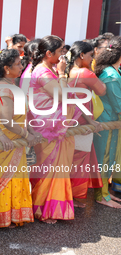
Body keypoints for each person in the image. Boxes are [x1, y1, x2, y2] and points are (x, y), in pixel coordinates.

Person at [0, 49, 37, 228]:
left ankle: (10, 215)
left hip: (11, 136)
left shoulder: (9, 85)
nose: (22, 67)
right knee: (2, 178)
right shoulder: (5, 89)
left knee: (12, 177)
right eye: (18, 64)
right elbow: (7, 121)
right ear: (6, 68)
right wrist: (28, 136)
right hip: (2, 138)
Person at [29, 35, 82, 224]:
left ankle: (51, 207)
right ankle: (44, 209)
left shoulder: (47, 69)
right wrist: (61, 74)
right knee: (49, 168)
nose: (64, 55)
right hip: (48, 127)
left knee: (55, 168)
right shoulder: (43, 72)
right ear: (48, 53)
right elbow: (62, 96)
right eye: (60, 51)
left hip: (56, 126)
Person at [65, 41, 106, 207]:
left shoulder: (69, 71)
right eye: (90, 56)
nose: (92, 59)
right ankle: (76, 197)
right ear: (82, 55)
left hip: (70, 118)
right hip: (83, 120)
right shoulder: (84, 72)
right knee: (80, 159)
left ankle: (68, 194)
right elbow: (102, 90)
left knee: (71, 158)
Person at [94, 36, 121, 208]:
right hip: (109, 121)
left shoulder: (109, 71)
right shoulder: (112, 75)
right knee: (105, 158)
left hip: (108, 121)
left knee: (106, 158)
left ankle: (105, 193)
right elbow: (118, 104)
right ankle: (102, 195)